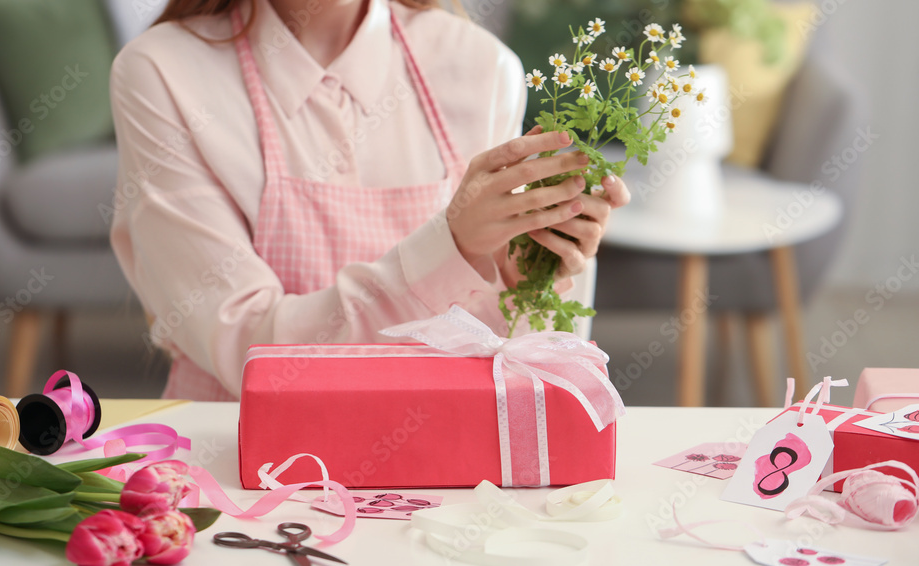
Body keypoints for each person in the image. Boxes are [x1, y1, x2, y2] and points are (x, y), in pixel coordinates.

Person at [109, 0, 631, 401]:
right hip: (241, 474)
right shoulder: (161, 72)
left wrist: (530, 274)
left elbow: (517, 354)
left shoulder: (481, 67)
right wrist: (450, 247)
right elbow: (251, 351)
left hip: (443, 465)